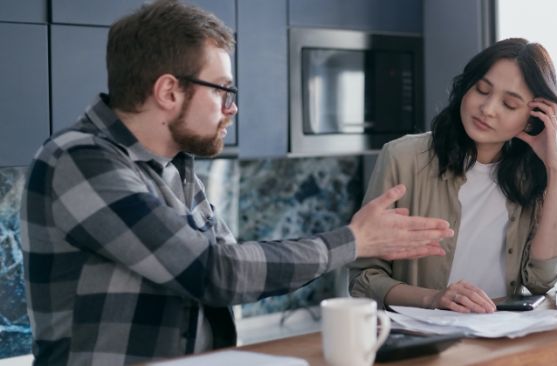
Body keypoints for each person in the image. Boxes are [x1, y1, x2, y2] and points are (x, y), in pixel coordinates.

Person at [19, 1, 455, 364]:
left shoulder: (175, 166)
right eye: (223, 90)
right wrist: (353, 242)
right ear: (169, 92)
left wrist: (353, 242)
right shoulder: (79, 160)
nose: (232, 109)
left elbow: (234, 264)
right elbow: (215, 271)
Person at [349, 38, 557, 314]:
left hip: (499, 335)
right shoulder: (403, 158)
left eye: (509, 104)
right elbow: (363, 279)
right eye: (482, 90)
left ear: (531, 120)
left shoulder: (530, 176)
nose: (488, 108)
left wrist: (555, 172)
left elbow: (542, 281)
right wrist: (434, 298)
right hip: (422, 342)